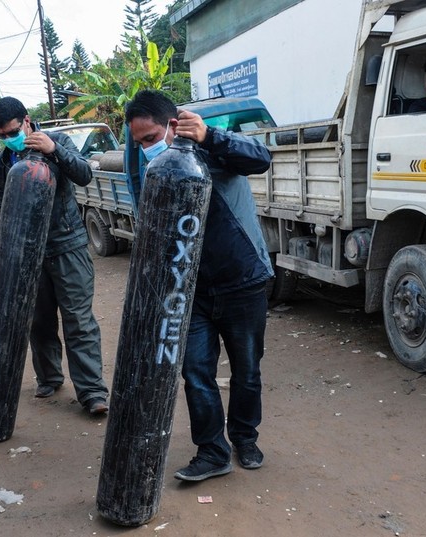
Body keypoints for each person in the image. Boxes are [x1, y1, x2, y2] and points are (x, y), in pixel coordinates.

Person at [124, 90, 274, 482]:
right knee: (195, 370)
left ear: (174, 125)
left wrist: (210, 137)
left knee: (246, 370)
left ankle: (245, 438)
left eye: (150, 138)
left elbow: (261, 159)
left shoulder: (213, 149)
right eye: (139, 143)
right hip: (190, 290)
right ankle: (212, 451)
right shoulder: (159, 171)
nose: (146, 149)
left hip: (243, 282)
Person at [0, 96, 109, 415]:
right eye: (1, 135)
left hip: (67, 244)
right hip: (29, 254)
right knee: (38, 321)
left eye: (12, 131)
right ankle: (49, 377)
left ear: (26, 121)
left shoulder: (58, 142)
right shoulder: (1, 164)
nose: (8, 139)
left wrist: (53, 152)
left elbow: (84, 174)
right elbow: (4, 207)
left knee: (78, 320)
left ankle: (93, 392)